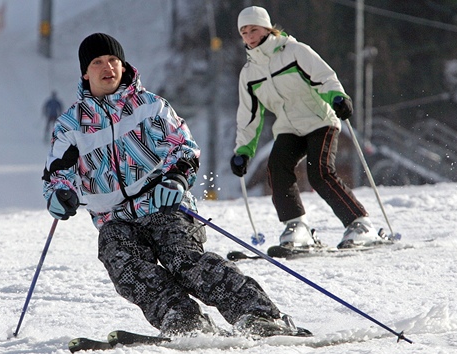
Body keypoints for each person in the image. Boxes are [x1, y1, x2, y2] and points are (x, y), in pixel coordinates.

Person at [42, 33, 311, 338]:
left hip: (163, 204)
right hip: (114, 218)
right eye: (98, 62)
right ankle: (183, 320)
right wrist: (59, 195)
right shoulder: (71, 125)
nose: (109, 67)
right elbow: (56, 173)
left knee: (183, 260)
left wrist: (176, 179)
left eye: (114, 60)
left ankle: (260, 313)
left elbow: (185, 149)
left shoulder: (149, 106)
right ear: (85, 72)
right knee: (123, 264)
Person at [230, 6, 384, 250]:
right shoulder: (249, 73)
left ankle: (360, 224)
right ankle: (296, 227)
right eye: (244, 32)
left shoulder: (294, 51)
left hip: (320, 121)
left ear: (267, 28)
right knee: (277, 168)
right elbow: (249, 115)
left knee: (319, 171)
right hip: (289, 128)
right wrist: (244, 150)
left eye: (254, 29)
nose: (249, 36)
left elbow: (323, 76)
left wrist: (337, 97)